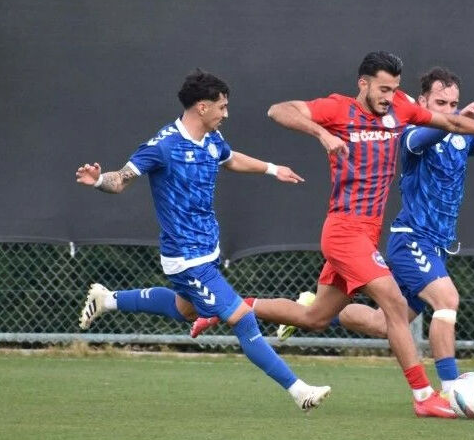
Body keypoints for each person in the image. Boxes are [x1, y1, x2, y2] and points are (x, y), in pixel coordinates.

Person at [190, 67, 474, 401]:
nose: (447, 108)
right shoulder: (412, 134)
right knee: (446, 301)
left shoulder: (460, 137)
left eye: (453, 103)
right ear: (423, 102)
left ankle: (249, 307)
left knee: (369, 322)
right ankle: (449, 390)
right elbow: (438, 129)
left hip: (428, 245)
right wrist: (456, 119)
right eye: (440, 102)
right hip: (410, 240)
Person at [73, 70, 331, 412]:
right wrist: (97, 181)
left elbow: (231, 159)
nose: (226, 114)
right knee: (242, 318)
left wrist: (272, 168)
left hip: (207, 251)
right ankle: (299, 391)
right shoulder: (163, 146)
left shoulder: (212, 140)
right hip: (185, 258)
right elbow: (121, 179)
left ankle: (108, 300)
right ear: (202, 107)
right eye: (222, 107)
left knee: (184, 308)